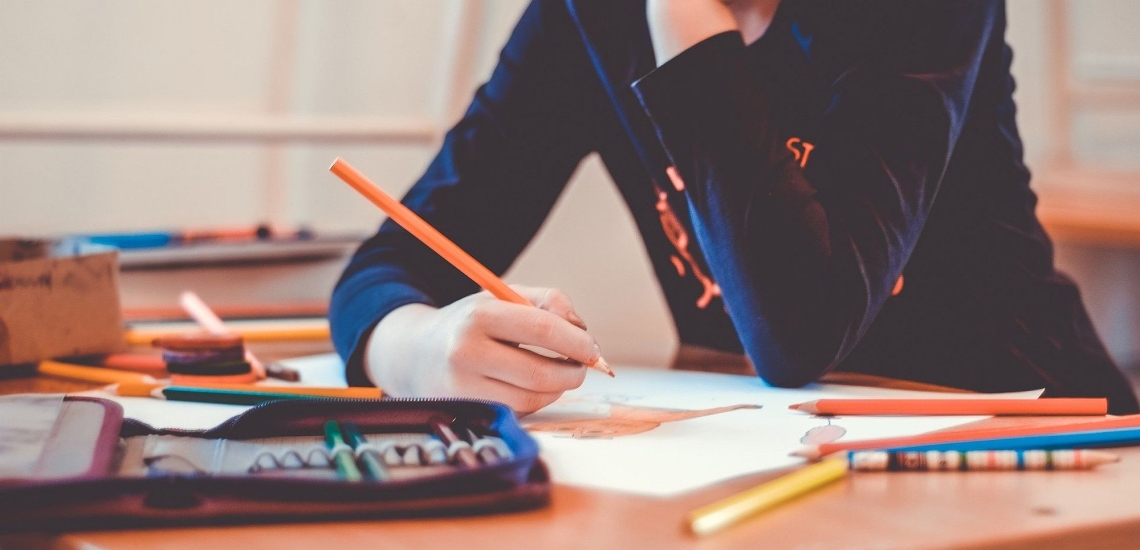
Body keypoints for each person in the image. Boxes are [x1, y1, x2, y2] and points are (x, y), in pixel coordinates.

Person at [330, 0, 1140, 414]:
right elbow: (390, 263)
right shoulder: (589, 18)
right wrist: (416, 350)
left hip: (1031, 433)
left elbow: (799, 334)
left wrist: (684, 25)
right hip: (778, 451)